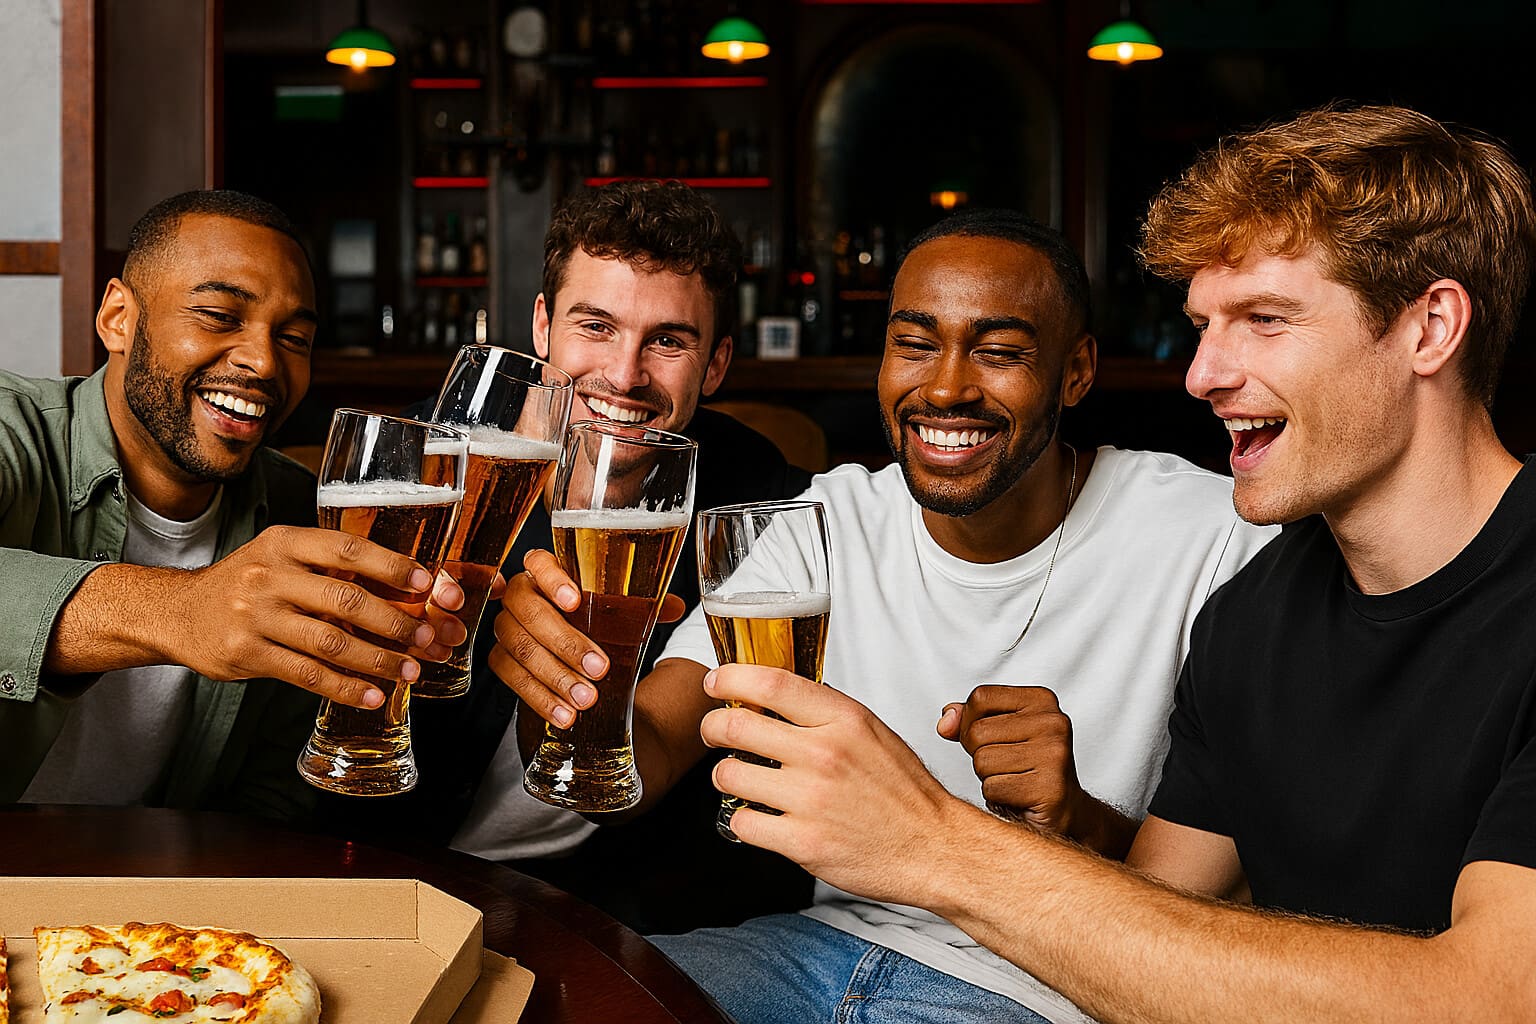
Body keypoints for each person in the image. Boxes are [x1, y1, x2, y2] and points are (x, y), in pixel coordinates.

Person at [698, 104, 1536, 1022]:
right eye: (1204, 325)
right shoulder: (1253, 610)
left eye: (1263, 319)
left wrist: (932, 844)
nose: (1202, 374)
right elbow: (1143, 944)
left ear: (1429, 329)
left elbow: (1491, 999)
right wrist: (1050, 826)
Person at [498, 207, 1276, 1022]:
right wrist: (562, 684)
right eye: (913, 344)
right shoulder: (823, 520)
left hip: (1054, 988)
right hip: (808, 952)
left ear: (1076, 372)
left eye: (1001, 351)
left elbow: (1202, 932)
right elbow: (640, 759)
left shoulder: (1214, 535)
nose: (945, 387)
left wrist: (1077, 821)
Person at [369, 180, 813, 932]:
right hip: (407, 870)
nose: (626, 374)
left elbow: (683, 747)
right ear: (542, 326)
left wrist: (570, 697)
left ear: (715, 365)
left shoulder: (757, 492)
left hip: (620, 903)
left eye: (669, 340)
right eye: (596, 327)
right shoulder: (432, 465)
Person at [1, 189, 466, 817]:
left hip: (150, 908)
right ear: (118, 318)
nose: (263, 360)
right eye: (220, 316)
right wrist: (180, 610)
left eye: (294, 337)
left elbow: (272, 793)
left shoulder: (303, 511)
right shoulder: (13, 430)